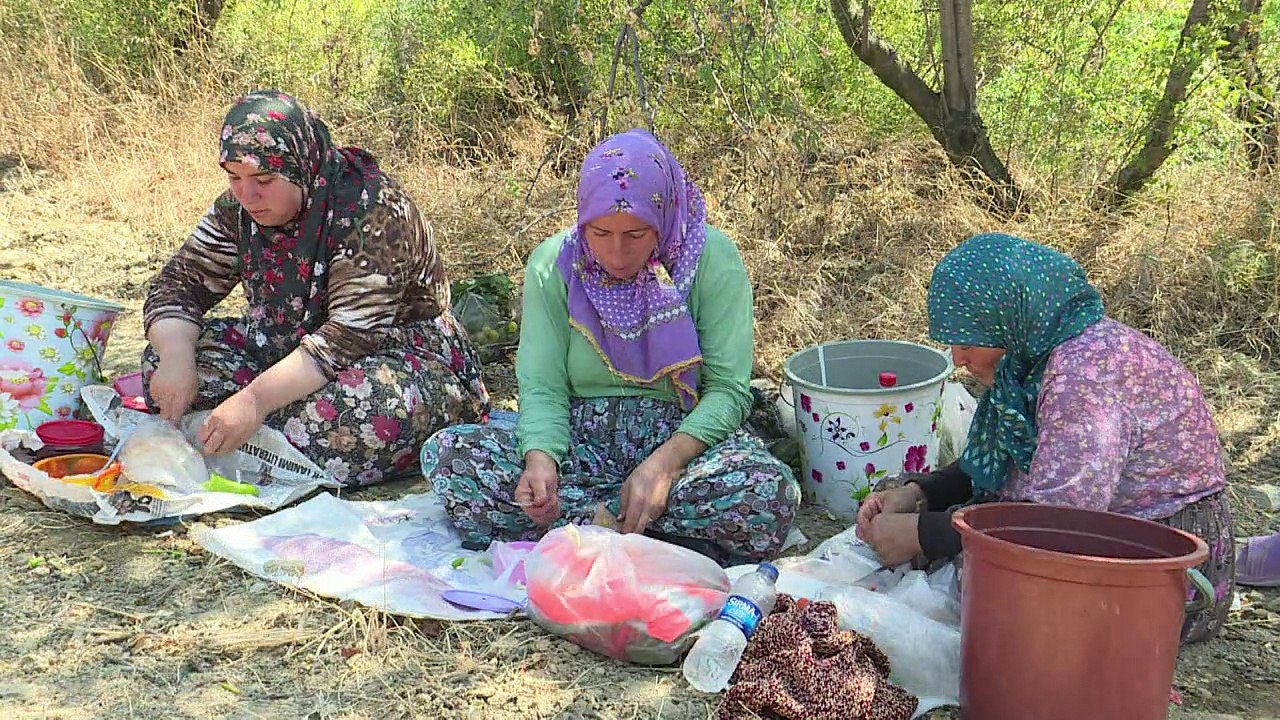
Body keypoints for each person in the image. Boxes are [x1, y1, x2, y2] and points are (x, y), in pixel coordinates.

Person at [421, 129, 800, 563]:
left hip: (683, 445)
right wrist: (541, 461)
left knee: (769, 493)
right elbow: (543, 386)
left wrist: (663, 467)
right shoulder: (554, 265)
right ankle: (633, 530)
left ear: (665, 215)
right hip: (580, 443)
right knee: (449, 457)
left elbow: (729, 391)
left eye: (636, 235)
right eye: (600, 233)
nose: (616, 254)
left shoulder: (710, 258)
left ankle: (586, 530)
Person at [857, 233, 1234, 643]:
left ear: (1009, 320)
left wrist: (921, 534)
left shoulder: (1082, 383)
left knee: (997, 602)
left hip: (1161, 570)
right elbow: (1001, 463)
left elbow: (1054, 527)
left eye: (967, 342)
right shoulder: (1033, 355)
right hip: (1101, 527)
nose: (957, 359)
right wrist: (920, 494)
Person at [142, 90, 489, 486]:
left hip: (393, 358)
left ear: (301, 165)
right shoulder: (238, 210)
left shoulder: (372, 209)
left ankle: (257, 432)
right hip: (286, 349)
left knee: (354, 415)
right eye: (234, 177)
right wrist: (176, 355)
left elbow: (349, 336)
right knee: (165, 366)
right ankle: (262, 434)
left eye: (264, 179)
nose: (247, 194)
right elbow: (180, 283)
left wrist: (254, 400)